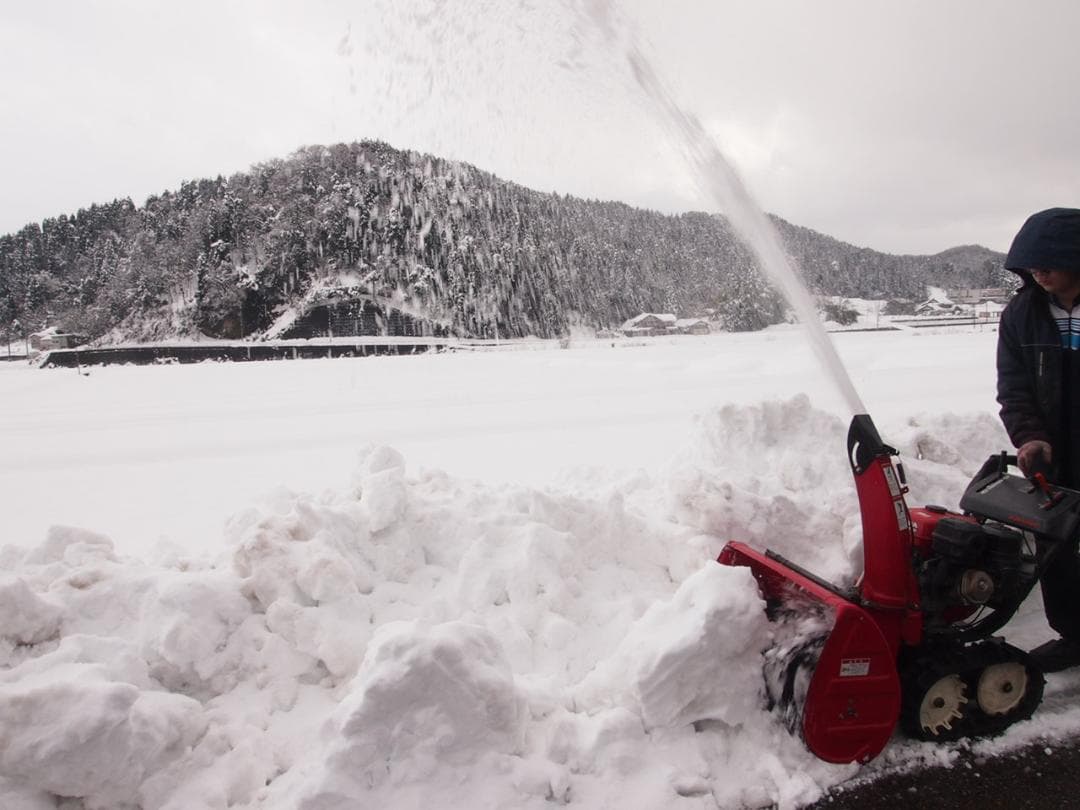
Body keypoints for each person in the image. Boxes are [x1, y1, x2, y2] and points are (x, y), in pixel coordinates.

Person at [997, 206, 1080, 672]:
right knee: (1057, 545)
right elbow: (1014, 388)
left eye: (1049, 259)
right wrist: (1029, 438)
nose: (1038, 270)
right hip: (1056, 451)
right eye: (1031, 263)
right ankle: (1075, 634)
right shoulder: (1022, 315)